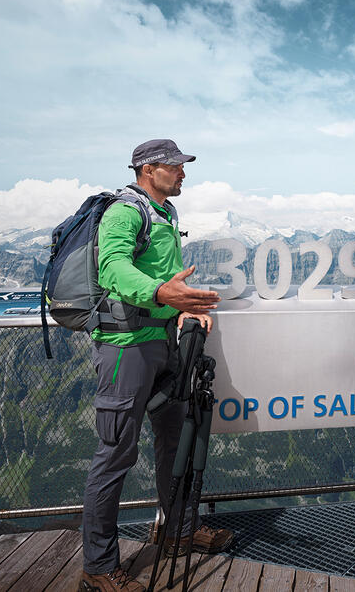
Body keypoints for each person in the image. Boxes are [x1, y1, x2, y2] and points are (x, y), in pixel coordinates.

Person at [80, 139, 231, 592]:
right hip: (127, 347)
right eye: (175, 166)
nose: (183, 173)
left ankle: (178, 533)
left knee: (174, 441)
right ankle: (99, 565)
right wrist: (166, 295)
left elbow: (166, 279)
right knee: (116, 455)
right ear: (148, 169)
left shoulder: (166, 213)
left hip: (165, 342)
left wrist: (180, 307)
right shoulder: (126, 212)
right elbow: (113, 269)